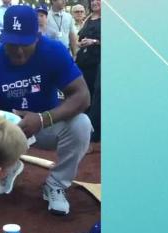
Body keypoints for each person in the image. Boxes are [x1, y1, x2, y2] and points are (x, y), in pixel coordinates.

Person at [0, 5, 92, 215]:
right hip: (8, 132)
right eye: (12, 44)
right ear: (2, 37)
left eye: (25, 43)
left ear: (37, 36)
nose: (19, 50)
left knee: (82, 124)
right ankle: (8, 167)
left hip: (46, 125)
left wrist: (43, 119)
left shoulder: (53, 51)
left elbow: (82, 96)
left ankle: (56, 183)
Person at [76, 0, 100, 143]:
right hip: (83, 63)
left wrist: (95, 42)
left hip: (97, 63)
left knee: (95, 97)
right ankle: (83, 129)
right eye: (92, 0)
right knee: (84, 95)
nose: (94, 2)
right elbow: (79, 38)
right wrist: (80, 43)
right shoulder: (87, 19)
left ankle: (94, 132)